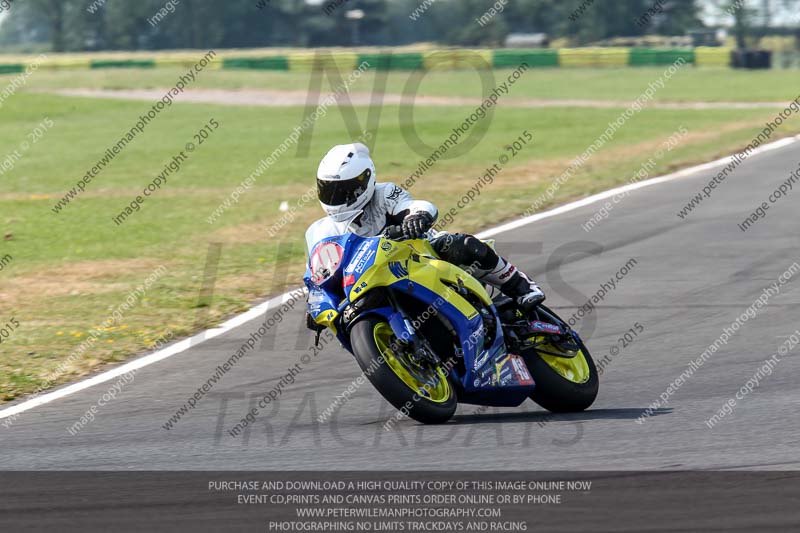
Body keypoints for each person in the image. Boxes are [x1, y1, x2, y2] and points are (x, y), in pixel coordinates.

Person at [304, 142, 545, 311]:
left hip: (421, 256)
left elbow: (415, 206)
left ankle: (522, 287)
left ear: (365, 180)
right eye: (328, 189)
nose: (335, 198)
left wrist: (416, 217)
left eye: (343, 190)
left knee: (461, 245)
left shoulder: (384, 194)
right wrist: (316, 304)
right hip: (371, 281)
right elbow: (316, 275)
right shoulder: (320, 231)